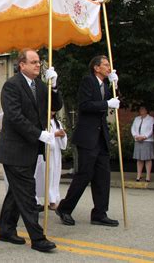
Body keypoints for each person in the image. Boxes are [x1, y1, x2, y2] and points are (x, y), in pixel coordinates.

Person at [0, 48, 61, 253]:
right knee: (27, 193)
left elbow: (56, 105)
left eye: (39, 62)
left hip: (31, 149)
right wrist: (38, 134)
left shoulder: (40, 86)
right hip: (15, 150)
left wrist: (54, 85)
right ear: (21, 65)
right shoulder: (11, 86)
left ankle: (6, 230)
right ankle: (38, 237)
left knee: (16, 193)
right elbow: (15, 117)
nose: (38, 65)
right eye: (33, 62)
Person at [56, 55, 120, 227]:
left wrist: (115, 85)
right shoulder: (88, 81)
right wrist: (107, 103)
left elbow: (116, 101)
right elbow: (85, 105)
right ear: (96, 68)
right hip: (87, 136)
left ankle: (100, 213)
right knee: (84, 175)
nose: (109, 68)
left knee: (103, 176)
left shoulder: (106, 85)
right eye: (106, 65)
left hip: (101, 138)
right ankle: (65, 208)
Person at [34, 111, 67, 210]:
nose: (53, 111)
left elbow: (63, 143)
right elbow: (43, 137)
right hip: (46, 153)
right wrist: (54, 135)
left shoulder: (57, 123)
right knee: (46, 177)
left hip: (56, 154)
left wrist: (62, 136)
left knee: (55, 177)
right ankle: (39, 201)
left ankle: (53, 200)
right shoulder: (42, 122)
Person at [130, 104, 154, 182]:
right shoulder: (137, 119)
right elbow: (133, 128)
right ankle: (138, 175)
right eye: (140, 109)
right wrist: (136, 136)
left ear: (146, 110)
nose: (141, 110)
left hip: (147, 141)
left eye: (143, 109)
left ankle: (148, 176)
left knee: (147, 159)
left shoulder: (151, 119)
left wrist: (144, 137)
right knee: (139, 159)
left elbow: (151, 129)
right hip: (138, 140)